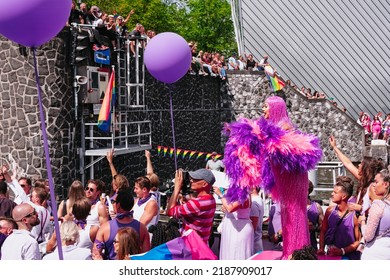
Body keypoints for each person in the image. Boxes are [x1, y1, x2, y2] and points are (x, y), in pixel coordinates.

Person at [223, 96, 322, 259]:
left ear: (275, 108)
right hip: (283, 176)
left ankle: (297, 253)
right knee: (287, 212)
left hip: (292, 177)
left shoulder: (285, 126)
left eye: (266, 106)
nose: (263, 110)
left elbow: (284, 150)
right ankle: (290, 250)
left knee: (294, 211)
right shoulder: (272, 126)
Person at [329, 135, 384, 217]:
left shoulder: (373, 188)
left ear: (366, 169)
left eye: (361, 164)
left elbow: (379, 211)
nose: (358, 165)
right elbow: (348, 163)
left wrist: (360, 208)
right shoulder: (363, 180)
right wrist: (335, 147)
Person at [93, 188, 150, 260]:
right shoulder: (142, 228)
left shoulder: (105, 227)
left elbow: (96, 253)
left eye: (114, 201)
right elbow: (146, 256)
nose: (113, 203)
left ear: (118, 205)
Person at [166, 169, 216, 244]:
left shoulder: (196, 204)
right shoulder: (211, 200)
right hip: (202, 244)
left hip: (190, 246)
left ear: (204, 184)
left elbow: (169, 211)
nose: (191, 180)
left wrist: (176, 188)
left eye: (195, 179)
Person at [317, 177, 360, 259]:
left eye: (335, 192)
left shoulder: (354, 215)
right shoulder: (329, 211)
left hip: (350, 258)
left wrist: (342, 251)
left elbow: (358, 241)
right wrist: (321, 248)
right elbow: (323, 231)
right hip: (332, 256)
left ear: (344, 196)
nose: (332, 194)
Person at [214, 187, 254, 259]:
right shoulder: (240, 193)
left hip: (238, 229)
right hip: (233, 228)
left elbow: (230, 208)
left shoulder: (244, 195)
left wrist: (220, 194)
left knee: (236, 255)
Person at [361, 169, 390, 259]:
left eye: (376, 182)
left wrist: (362, 222)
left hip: (375, 253)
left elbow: (368, 236)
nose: (373, 184)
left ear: (385, 184)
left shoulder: (378, 205)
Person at [307, 181, 324, 249]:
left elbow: (323, 227)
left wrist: (314, 227)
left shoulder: (317, 207)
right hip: (295, 246)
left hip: (311, 246)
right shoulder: (292, 207)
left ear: (308, 192)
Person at [250, 186, 264, 253]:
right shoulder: (258, 199)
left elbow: (253, 227)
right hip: (256, 241)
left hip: (253, 243)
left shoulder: (254, 202)